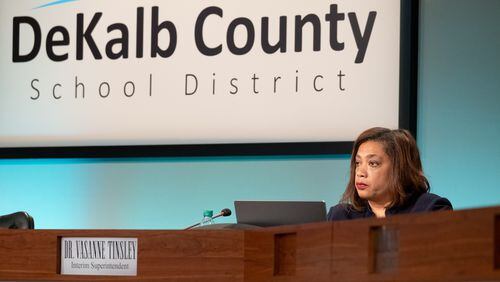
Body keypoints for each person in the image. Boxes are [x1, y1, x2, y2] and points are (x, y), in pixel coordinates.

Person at [328, 127, 452, 220]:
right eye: (358, 163)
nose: (360, 172)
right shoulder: (342, 215)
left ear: (399, 168)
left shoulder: (431, 209)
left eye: (373, 163)